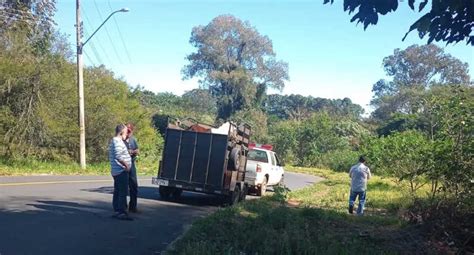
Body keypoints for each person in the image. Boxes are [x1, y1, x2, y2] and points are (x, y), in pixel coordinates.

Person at [109, 124, 133, 221]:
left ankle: (117, 210)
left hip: (118, 170)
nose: (127, 134)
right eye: (126, 131)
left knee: (118, 190)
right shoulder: (117, 141)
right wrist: (126, 166)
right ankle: (122, 212)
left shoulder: (115, 141)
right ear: (122, 132)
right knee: (122, 191)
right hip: (120, 170)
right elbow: (118, 156)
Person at [123, 123, 140, 213]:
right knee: (124, 187)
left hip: (132, 164)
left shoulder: (133, 140)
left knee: (134, 186)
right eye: (127, 131)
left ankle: (133, 206)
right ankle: (123, 207)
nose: (128, 133)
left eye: (130, 131)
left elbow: (137, 150)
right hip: (123, 165)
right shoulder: (121, 140)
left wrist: (135, 151)